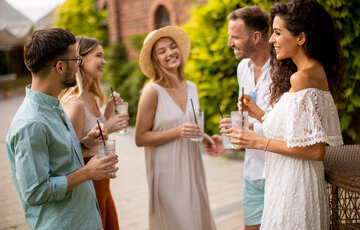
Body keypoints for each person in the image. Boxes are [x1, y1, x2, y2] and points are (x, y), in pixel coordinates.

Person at [231, 0, 344, 229]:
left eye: (277, 33)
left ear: (301, 38)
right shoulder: (312, 71)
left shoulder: (301, 78)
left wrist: (259, 142)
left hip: (295, 183)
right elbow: (296, 131)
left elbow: (315, 150)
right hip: (290, 179)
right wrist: (259, 113)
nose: (271, 40)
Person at [5, 28, 119, 229]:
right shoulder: (31, 123)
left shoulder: (53, 106)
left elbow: (58, 161)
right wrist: (87, 173)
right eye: (76, 61)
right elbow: (35, 192)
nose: (78, 67)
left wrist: (84, 144)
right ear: (59, 67)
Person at [135, 26, 217, 230]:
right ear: (155, 60)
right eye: (161, 51)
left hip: (193, 165)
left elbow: (189, 124)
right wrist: (177, 132)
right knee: (181, 223)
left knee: (197, 219)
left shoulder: (191, 87)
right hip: (167, 172)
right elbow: (140, 138)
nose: (170, 53)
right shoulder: (152, 91)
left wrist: (203, 135)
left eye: (172, 47)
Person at [205, 6, 271, 230]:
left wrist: (247, 126)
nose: (229, 43)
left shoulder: (283, 71)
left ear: (255, 37)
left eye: (235, 36)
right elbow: (245, 119)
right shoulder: (242, 68)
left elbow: (287, 128)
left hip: (276, 174)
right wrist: (229, 142)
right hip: (251, 173)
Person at [59, 36, 129, 230]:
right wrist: (111, 127)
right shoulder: (75, 103)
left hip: (103, 183)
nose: (104, 61)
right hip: (89, 184)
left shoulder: (91, 94)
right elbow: (69, 156)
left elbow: (95, 135)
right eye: (99, 56)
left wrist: (107, 112)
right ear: (80, 59)